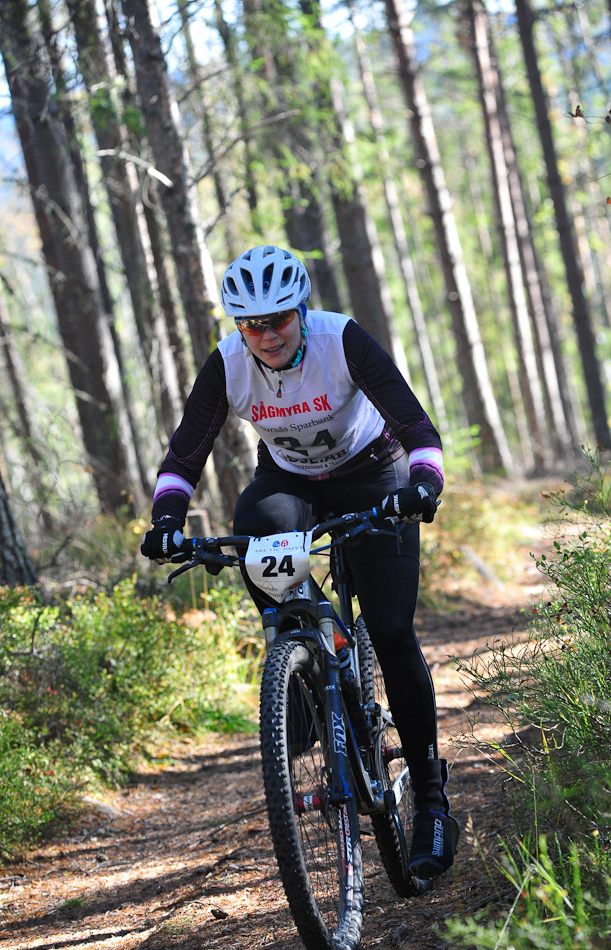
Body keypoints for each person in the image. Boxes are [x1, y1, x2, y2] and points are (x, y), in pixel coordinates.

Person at [141, 244, 459, 879]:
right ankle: (304, 668)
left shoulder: (342, 340)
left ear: (302, 311)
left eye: (279, 319)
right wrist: (167, 521)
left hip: (375, 474)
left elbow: (417, 428)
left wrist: (423, 485)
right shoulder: (230, 363)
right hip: (291, 481)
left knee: (391, 630)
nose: (267, 335)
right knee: (256, 525)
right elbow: (185, 456)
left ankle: (430, 798)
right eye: (251, 324)